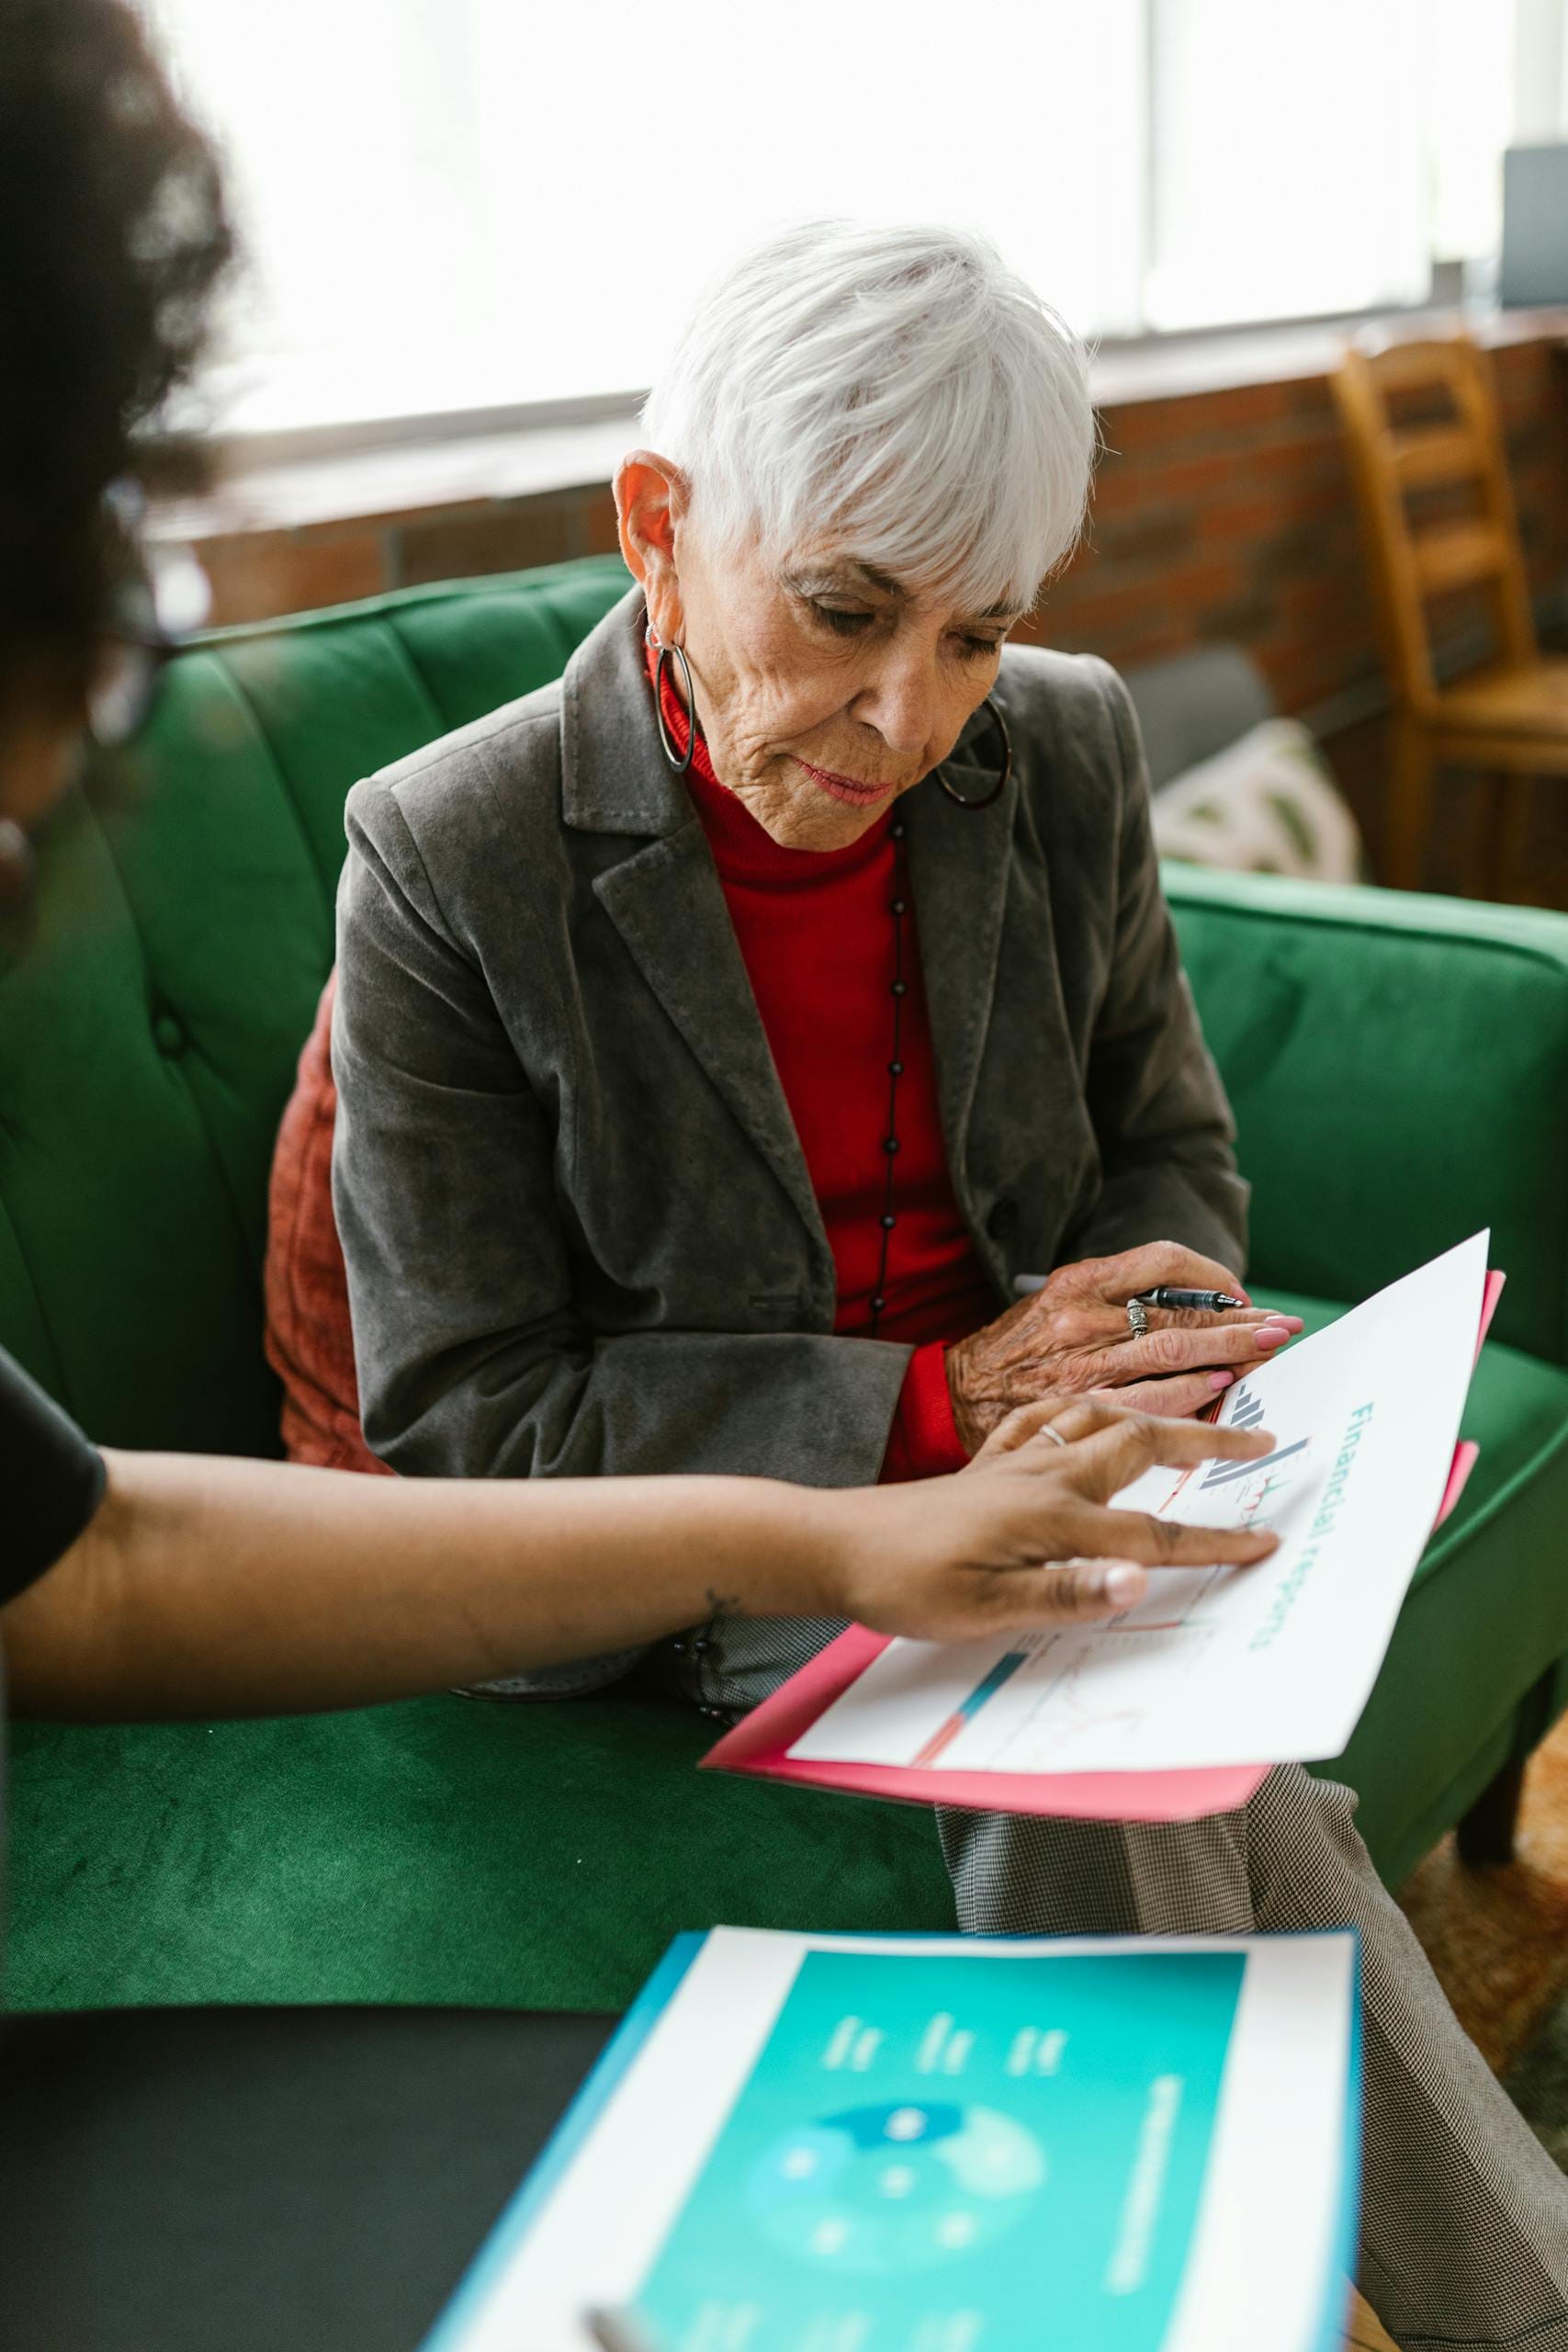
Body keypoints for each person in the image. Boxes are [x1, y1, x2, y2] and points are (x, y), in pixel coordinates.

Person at [288, 220, 1568, 2347]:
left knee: (1179, 1730)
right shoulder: (449, 855)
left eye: (976, 632)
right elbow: (466, 1426)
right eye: (845, 612)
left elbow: (1167, 1147)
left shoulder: (1048, 747)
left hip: (1022, 1465)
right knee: (1117, 1722)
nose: (906, 716)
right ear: (657, 526)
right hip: (695, 1538)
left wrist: (1158, 1359)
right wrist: (940, 1417)